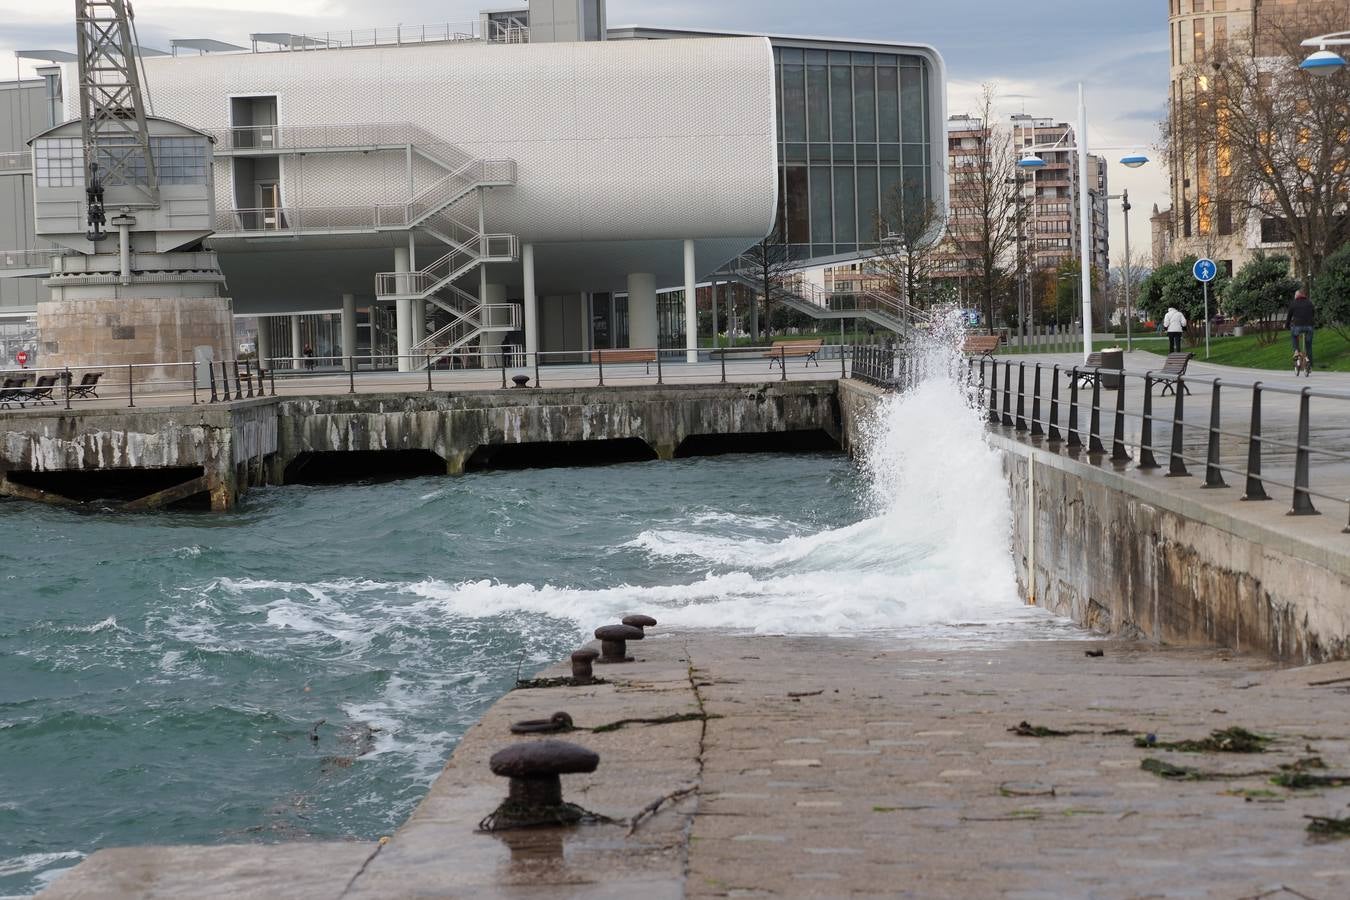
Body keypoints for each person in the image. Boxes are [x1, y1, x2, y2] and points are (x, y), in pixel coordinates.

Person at [1287, 288, 1316, 372]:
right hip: (1309, 327)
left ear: (1297, 296)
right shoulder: (1310, 303)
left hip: (1298, 326)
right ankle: (1309, 366)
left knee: (1294, 335)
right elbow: (1313, 314)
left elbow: (1289, 317)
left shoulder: (1293, 303)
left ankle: (1296, 351)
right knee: (1309, 346)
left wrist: (1287, 326)